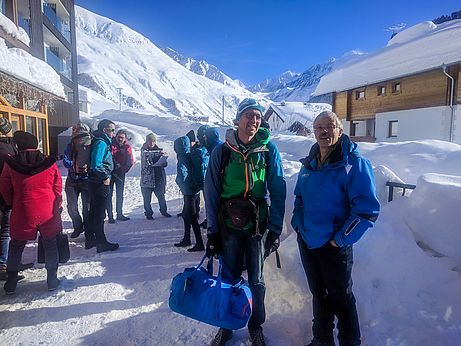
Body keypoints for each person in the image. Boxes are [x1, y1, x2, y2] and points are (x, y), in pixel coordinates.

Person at [291, 111, 380, 346]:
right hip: (308, 240)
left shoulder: (353, 164)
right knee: (319, 294)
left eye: (329, 126)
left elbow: (366, 210)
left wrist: (339, 240)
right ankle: (322, 339)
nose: (323, 131)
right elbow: (299, 197)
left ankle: (350, 342)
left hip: (333, 244)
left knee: (341, 297)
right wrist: (298, 225)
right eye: (318, 127)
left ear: (340, 131)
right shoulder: (310, 164)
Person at [204, 98, 286, 346]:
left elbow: (278, 188)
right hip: (228, 225)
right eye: (249, 115)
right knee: (227, 277)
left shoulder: (268, 150)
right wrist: (212, 232)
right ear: (237, 119)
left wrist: (275, 229)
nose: (254, 120)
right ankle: (226, 325)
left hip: (258, 226)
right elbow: (211, 192)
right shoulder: (223, 151)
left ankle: (256, 326)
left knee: (256, 280)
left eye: (258, 116)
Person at [0, 131, 62, 293]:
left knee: (16, 245)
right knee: (50, 244)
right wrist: (57, 204)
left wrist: (11, 202)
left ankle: (11, 283)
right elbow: (57, 186)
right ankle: (52, 280)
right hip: (48, 209)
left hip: (23, 208)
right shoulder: (49, 162)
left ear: (18, 146)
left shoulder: (11, 164)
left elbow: (4, 187)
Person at [86, 119, 119, 253]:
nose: (114, 133)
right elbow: (96, 164)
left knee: (94, 211)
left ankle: (92, 239)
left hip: (95, 181)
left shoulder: (100, 141)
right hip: (99, 182)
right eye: (112, 130)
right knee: (99, 213)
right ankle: (101, 242)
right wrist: (105, 176)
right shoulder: (101, 143)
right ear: (104, 130)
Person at [173, 135, 204, 252]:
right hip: (194, 190)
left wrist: (179, 182)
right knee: (186, 216)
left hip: (188, 192)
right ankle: (187, 239)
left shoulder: (182, 157)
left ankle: (199, 243)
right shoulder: (190, 154)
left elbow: (183, 173)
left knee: (191, 217)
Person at [62, 123, 91, 239]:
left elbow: (66, 162)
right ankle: (82, 228)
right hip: (79, 179)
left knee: (79, 207)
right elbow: (65, 161)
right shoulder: (72, 146)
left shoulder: (75, 145)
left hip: (80, 179)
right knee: (79, 207)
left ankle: (83, 228)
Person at [140, 133, 170, 219]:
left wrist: (164, 161)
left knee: (161, 197)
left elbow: (164, 163)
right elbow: (147, 155)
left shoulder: (160, 151)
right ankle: (148, 214)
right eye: (149, 141)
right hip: (147, 180)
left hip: (158, 178)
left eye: (153, 141)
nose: (151, 143)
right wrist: (159, 153)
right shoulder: (143, 151)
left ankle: (164, 211)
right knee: (147, 199)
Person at [106, 129, 134, 223]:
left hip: (120, 173)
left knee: (119, 194)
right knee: (109, 194)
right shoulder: (110, 144)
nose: (120, 139)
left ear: (125, 138)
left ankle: (120, 214)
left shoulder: (127, 147)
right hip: (110, 173)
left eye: (122, 137)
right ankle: (110, 215)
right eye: (119, 137)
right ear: (116, 136)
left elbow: (130, 161)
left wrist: (123, 170)